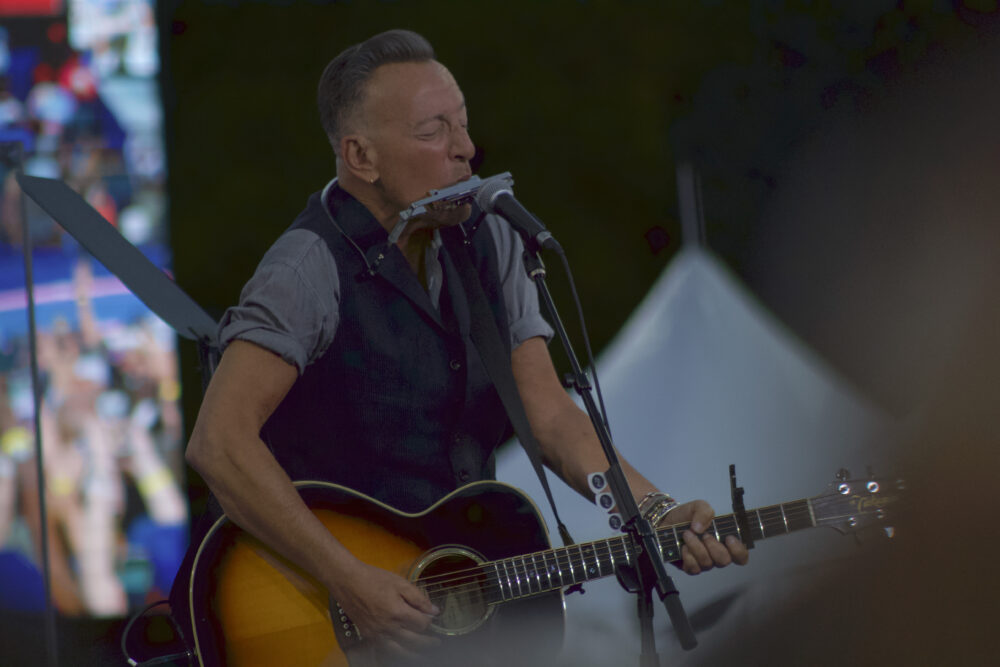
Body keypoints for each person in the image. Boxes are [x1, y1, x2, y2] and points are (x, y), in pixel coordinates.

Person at [184, 28, 748, 663]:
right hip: (320, 613)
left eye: (464, 124)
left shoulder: (490, 241)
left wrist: (654, 512)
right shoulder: (306, 268)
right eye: (434, 132)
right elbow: (219, 443)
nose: (467, 150)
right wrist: (347, 579)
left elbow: (551, 416)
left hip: (458, 618)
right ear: (360, 156)